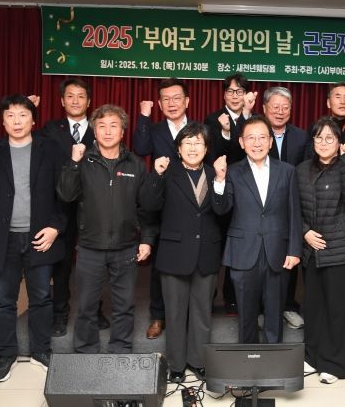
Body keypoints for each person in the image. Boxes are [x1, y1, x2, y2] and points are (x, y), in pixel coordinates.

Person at [0, 94, 65, 382]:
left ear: (33, 120)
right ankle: (6, 353)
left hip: (40, 236)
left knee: (41, 297)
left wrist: (56, 227)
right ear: (3, 121)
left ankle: (41, 351)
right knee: (4, 299)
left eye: (23, 115)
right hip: (4, 238)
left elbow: (66, 193)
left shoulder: (50, 149)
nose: (17, 121)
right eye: (10, 115)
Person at [57, 104, 159, 354]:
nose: (108, 131)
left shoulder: (135, 164)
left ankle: (121, 351)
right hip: (90, 247)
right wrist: (73, 162)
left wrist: (146, 239)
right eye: (101, 126)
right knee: (86, 306)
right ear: (94, 131)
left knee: (124, 306)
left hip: (126, 247)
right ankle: (85, 351)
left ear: (123, 131)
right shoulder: (83, 161)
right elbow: (66, 195)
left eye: (114, 126)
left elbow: (145, 207)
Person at [212, 115, 303, 344]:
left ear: (270, 141)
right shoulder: (232, 172)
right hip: (243, 251)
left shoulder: (287, 171)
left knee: (275, 314)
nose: (257, 143)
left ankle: (273, 360)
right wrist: (219, 180)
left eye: (262, 137)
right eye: (251, 138)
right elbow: (221, 209)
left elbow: (294, 213)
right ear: (241, 142)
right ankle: (247, 359)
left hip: (278, 251)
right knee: (246, 315)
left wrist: (294, 250)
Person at [151, 123, 231, 383]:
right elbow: (149, 205)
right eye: (188, 143)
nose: (193, 148)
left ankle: (198, 361)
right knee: (174, 314)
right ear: (178, 148)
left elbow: (223, 210)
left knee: (202, 313)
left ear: (206, 148)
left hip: (206, 252)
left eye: (198, 143)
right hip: (174, 253)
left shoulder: (215, 173)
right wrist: (156, 176)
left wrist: (220, 180)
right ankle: (176, 365)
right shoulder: (167, 172)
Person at [30, 78, 109, 337]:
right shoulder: (50, 129)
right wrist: (30, 111)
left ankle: (95, 310)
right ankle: (60, 313)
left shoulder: (101, 129)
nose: (75, 101)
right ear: (62, 101)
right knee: (62, 264)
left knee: (94, 263)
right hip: (60, 204)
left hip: (93, 205)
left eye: (81, 96)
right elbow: (30, 148)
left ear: (89, 101)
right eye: (70, 96)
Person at [296, 117, 345, 384]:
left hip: (341, 250)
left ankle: (335, 364)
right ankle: (312, 355)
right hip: (312, 250)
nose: (324, 143)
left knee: (337, 310)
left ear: (339, 142)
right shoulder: (301, 169)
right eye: (319, 138)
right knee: (313, 307)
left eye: (330, 138)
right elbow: (293, 208)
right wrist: (304, 232)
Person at [133, 77, 193, 340]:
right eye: (166, 99)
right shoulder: (155, 129)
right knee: (161, 262)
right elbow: (140, 148)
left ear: (187, 101)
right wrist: (144, 117)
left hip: (192, 201)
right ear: (159, 104)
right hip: (163, 201)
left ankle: (188, 314)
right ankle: (158, 315)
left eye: (176, 98)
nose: (172, 103)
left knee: (192, 258)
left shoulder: (198, 129)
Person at [203, 72, 257, 316]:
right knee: (215, 247)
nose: (235, 96)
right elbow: (215, 154)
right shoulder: (213, 118)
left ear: (247, 94)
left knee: (239, 247)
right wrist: (225, 132)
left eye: (240, 91)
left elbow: (251, 151)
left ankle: (232, 298)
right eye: (230, 91)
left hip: (247, 193)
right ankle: (207, 297)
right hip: (221, 189)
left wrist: (245, 117)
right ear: (224, 94)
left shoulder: (254, 119)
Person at [263, 86, 308, 330]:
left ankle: (287, 306)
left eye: (285, 107)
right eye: (275, 107)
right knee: (262, 259)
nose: (280, 112)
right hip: (262, 206)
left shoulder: (301, 136)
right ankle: (262, 309)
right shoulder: (256, 134)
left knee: (290, 256)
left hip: (292, 205)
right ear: (264, 109)